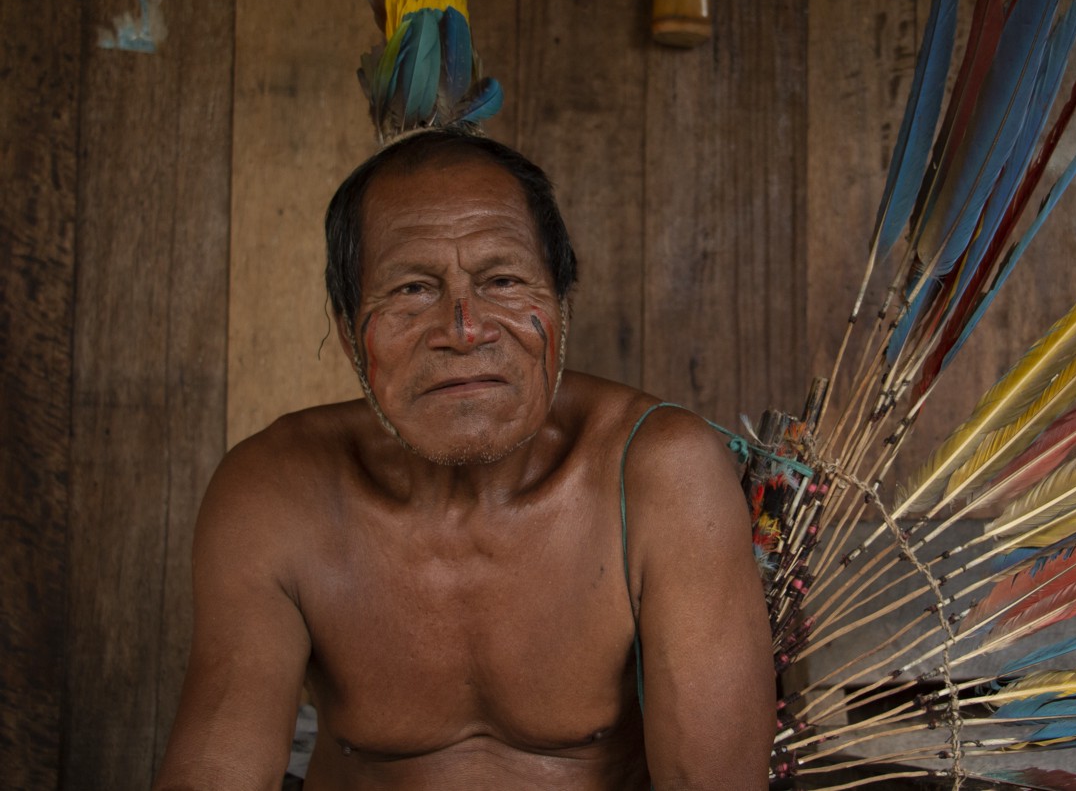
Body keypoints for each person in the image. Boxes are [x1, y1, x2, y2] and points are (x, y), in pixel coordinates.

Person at [155, 129, 775, 790]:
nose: (464, 329)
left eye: (502, 281)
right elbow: (215, 771)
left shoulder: (664, 474)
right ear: (347, 330)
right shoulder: (274, 493)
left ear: (561, 306)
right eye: (411, 290)